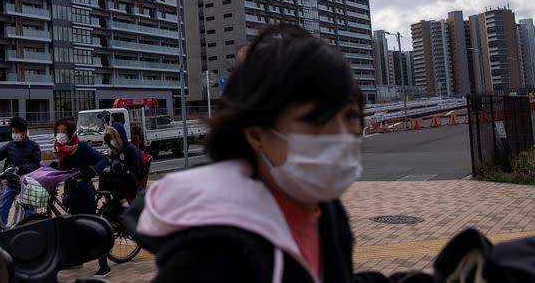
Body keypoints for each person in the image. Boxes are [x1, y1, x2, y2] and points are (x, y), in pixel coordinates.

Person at [126, 24, 396, 282]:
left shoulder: (324, 209)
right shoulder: (213, 253)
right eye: (317, 120)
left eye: (350, 116)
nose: (342, 135)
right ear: (257, 134)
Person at [52, 117, 111, 276]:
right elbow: (60, 168)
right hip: (71, 192)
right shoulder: (61, 149)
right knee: (73, 227)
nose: (60, 134)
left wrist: (92, 171)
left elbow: (103, 158)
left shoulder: (82, 147)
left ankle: (104, 265)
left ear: (70, 132)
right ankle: (76, 259)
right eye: (58, 131)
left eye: (63, 131)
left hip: (85, 192)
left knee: (92, 228)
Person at [0, 117, 41, 226]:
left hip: (28, 184)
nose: (14, 134)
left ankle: (31, 232)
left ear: (24, 132)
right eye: (13, 131)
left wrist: (20, 168)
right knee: (3, 209)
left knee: (30, 213)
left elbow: (36, 164)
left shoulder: (34, 146)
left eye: (17, 131)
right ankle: (2, 233)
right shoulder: (11, 145)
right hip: (12, 182)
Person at [102, 122, 144, 206]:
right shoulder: (116, 150)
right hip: (121, 175)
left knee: (116, 183)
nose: (112, 140)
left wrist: (123, 166)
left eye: (113, 138)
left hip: (132, 177)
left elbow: (137, 169)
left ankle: (125, 205)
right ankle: (108, 200)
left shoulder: (130, 149)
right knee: (103, 176)